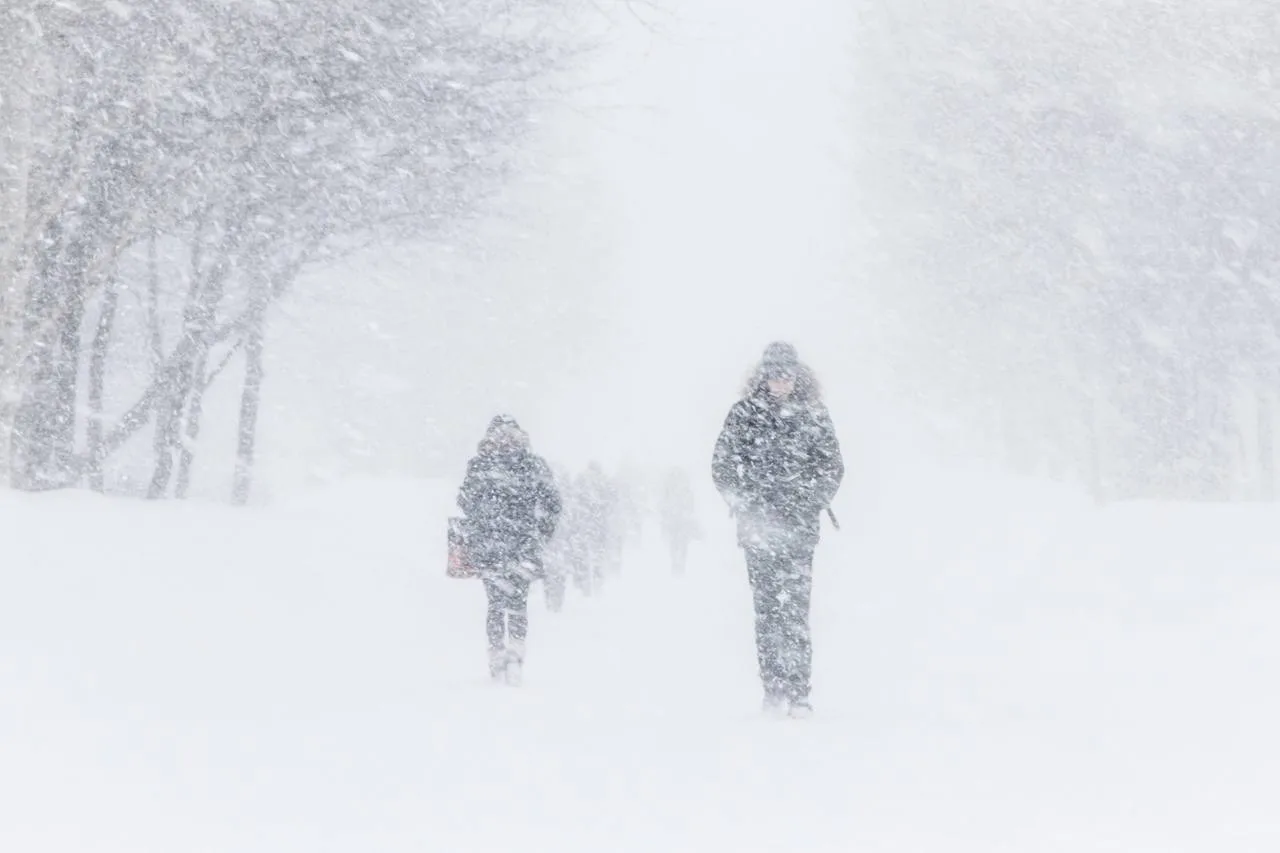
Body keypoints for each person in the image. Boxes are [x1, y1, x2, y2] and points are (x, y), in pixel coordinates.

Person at [712, 342, 844, 717]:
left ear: (797, 376)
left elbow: (832, 467)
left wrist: (809, 499)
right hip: (758, 531)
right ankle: (773, 688)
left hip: (799, 531)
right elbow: (722, 466)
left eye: (787, 375)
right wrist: (744, 502)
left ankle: (799, 692)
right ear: (763, 376)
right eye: (774, 375)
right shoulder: (743, 414)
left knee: (796, 613)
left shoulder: (814, 414)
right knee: (768, 611)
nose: (781, 381)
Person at [457, 415, 561, 685]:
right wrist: (541, 533)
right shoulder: (533, 464)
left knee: (494, 603)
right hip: (522, 545)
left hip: (488, 544)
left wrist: (483, 520)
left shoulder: (480, 463)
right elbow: (553, 503)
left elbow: (465, 501)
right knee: (517, 600)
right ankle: (514, 653)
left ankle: (496, 655)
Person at [658, 467, 701, 575]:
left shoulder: (671, 491)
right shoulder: (684, 492)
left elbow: (664, 507)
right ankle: (678, 564)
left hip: (677, 522)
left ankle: (677, 564)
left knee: (677, 543)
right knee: (679, 543)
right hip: (678, 522)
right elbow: (690, 508)